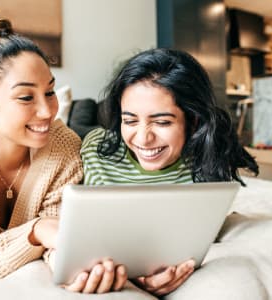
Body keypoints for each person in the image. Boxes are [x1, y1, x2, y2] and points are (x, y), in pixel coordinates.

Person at [0, 10, 127, 293]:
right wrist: (35, 230)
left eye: (50, 92)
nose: (47, 111)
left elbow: (60, 240)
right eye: (26, 97)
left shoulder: (63, 146)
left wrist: (79, 267)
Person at [81, 48, 259, 296]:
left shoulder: (207, 161)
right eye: (130, 120)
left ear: (193, 121)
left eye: (162, 122)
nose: (143, 138)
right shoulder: (96, 149)